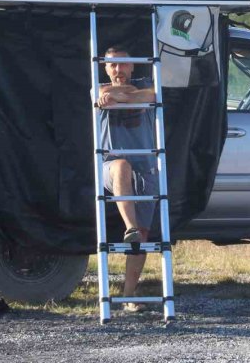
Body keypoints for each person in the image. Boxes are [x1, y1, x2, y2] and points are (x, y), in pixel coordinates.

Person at [98, 45, 157, 312]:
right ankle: (129, 226)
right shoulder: (97, 87)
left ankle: (128, 296)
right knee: (121, 164)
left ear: (133, 66)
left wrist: (124, 95)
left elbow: (154, 94)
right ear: (105, 67)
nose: (118, 70)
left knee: (143, 237)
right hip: (110, 166)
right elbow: (103, 95)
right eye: (113, 65)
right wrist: (131, 96)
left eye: (123, 65)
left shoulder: (146, 82)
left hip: (146, 167)